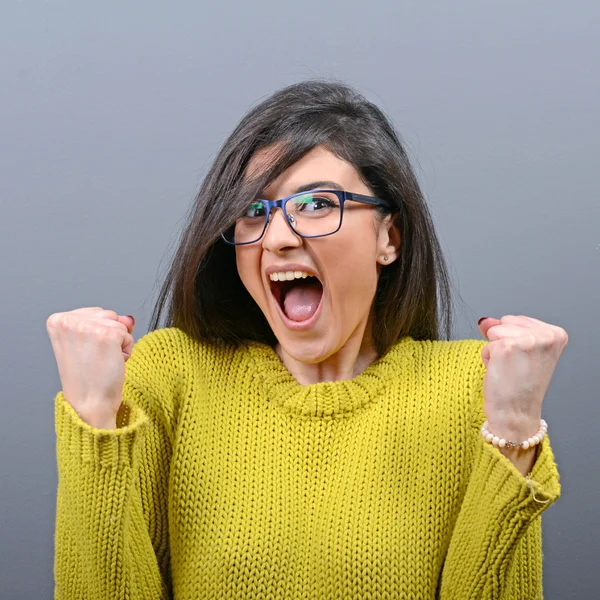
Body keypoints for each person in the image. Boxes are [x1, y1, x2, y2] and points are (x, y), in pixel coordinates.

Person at [47, 79, 567, 599]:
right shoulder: (172, 376)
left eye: (317, 204)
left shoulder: (471, 389)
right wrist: (92, 420)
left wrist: (515, 429)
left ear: (388, 238)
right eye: (253, 210)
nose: (277, 237)